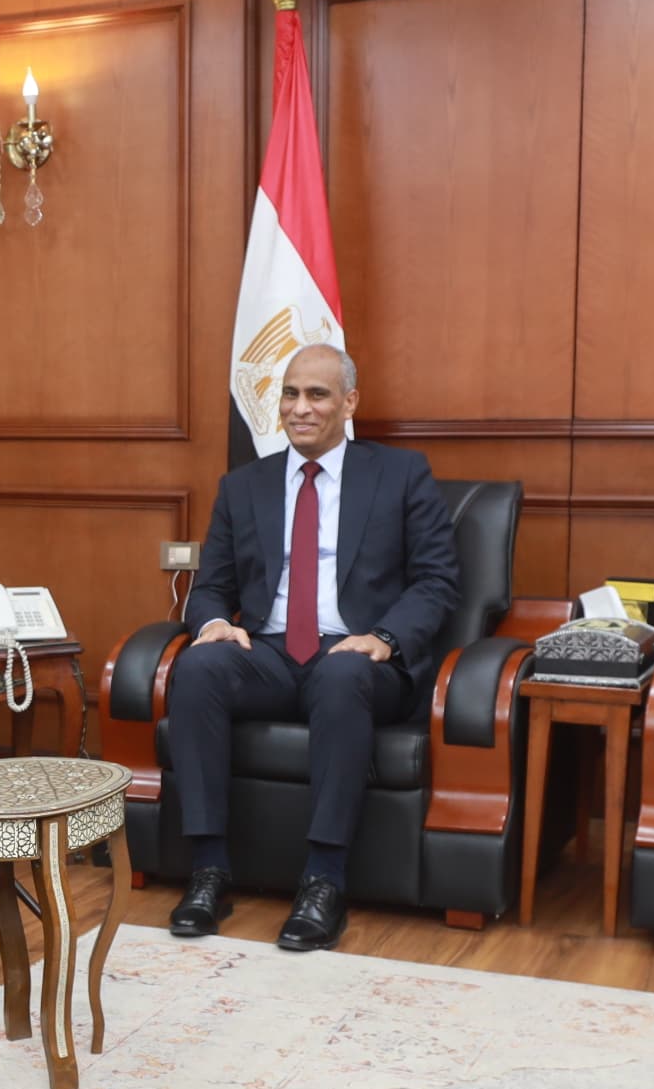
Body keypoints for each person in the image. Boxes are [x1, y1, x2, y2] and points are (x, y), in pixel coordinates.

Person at [164, 345, 461, 954]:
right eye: (291, 394)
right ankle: (209, 871)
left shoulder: (401, 475)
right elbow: (212, 585)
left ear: (349, 403)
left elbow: (437, 581)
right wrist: (214, 622)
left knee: (340, 674)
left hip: (360, 655)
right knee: (197, 667)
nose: (300, 408)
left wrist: (383, 638)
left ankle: (324, 880)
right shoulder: (243, 485)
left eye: (317, 395)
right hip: (269, 651)